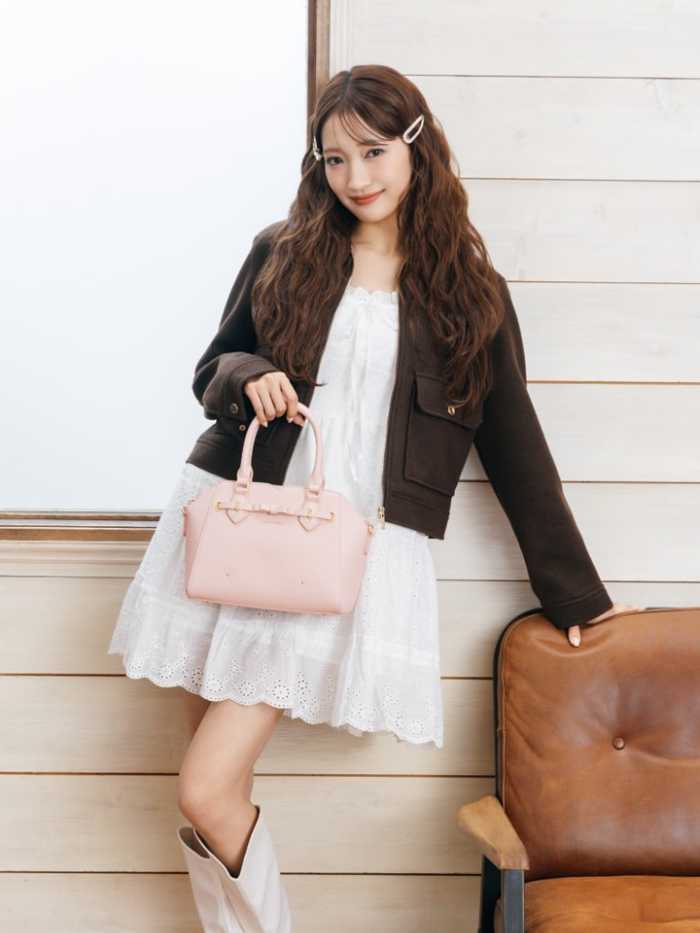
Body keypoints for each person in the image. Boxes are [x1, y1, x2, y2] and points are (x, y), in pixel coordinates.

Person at [108, 64, 641, 932]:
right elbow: (212, 368)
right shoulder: (283, 253)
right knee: (213, 792)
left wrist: (576, 594)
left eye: (374, 152)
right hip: (234, 527)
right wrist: (251, 376)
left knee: (205, 788)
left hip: (330, 555)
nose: (356, 177)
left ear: (417, 145)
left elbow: (517, 450)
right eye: (335, 159)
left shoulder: (469, 295)